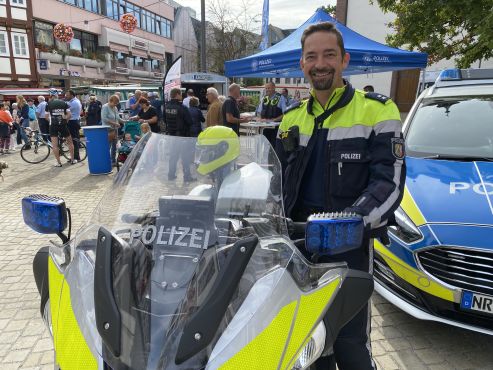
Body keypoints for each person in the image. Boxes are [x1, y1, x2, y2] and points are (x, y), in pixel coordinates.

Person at [275, 22, 405, 370]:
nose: (321, 63)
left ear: (344, 60)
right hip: (296, 247)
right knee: (304, 341)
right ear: (302, 64)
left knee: (349, 344)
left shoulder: (378, 110)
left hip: (348, 247)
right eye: (312, 56)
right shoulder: (290, 118)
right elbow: (273, 178)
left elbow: (388, 182)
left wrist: (351, 221)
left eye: (329, 55)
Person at [165, 87, 195, 182]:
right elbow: (190, 122)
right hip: (183, 136)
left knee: (173, 156)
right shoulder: (182, 108)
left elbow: (165, 120)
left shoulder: (166, 107)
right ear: (177, 94)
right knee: (185, 157)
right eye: (180, 94)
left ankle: (171, 175)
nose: (181, 96)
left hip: (171, 135)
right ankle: (187, 177)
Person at [47, 88, 75, 167]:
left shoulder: (48, 104)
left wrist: (51, 120)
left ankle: (59, 163)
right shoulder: (64, 103)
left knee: (55, 145)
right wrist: (66, 120)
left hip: (53, 126)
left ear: (50, 95)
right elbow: (69, 115)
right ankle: (72, 160)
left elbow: (46, 116)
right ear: (57, 95)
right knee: (70, 142)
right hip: (63, 125)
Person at [101, 94, 125, 166]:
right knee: (108, 146)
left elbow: (117, 117)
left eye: (117, 103)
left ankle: (113, 161)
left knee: (115, 146)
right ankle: (105, 161)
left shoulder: (115, 108)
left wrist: (124, 121)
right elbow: (104, 118)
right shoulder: (105, 107)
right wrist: (114, 123)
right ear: (110, 101)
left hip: (115, 129)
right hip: (108, 129)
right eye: (115, 103)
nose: (115, 105)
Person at [65, 90, 82, 161]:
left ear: (72, 95)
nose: (66, 96)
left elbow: (64, 109)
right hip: (74, 121)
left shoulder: (73, 102)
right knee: (74, 140)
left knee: (74, 140)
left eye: (67, 95)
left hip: (72, 122)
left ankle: (76, 157)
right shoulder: (75, 101)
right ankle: (74, 156)